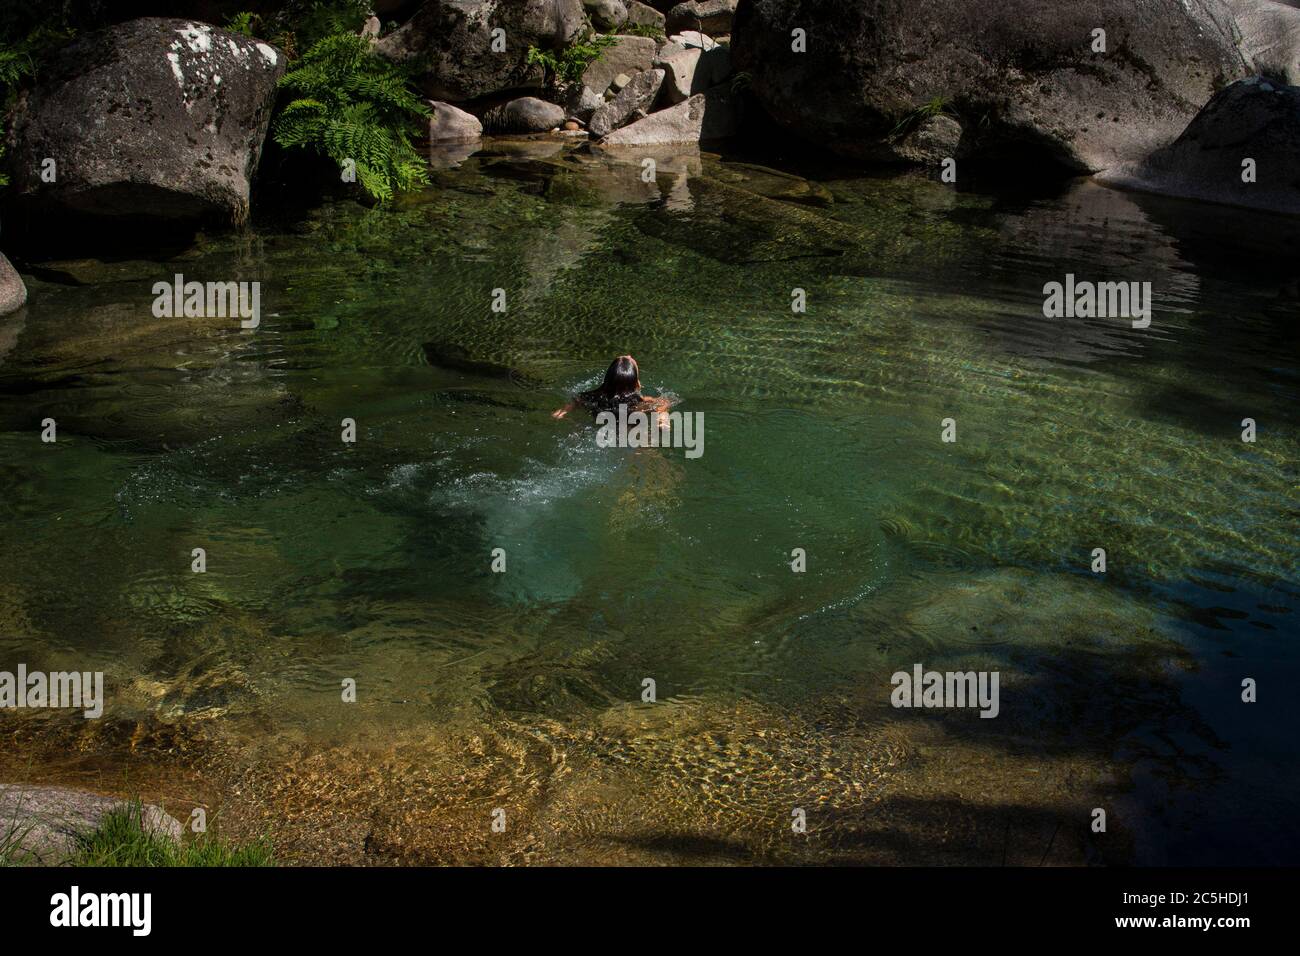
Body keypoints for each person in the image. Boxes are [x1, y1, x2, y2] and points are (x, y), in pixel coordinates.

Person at [552, 355, 672, 427]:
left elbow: (569, 405)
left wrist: (563, 411)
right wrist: (662, 419)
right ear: (637, 384)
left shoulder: (590, 397)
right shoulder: (640, 402)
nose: (629, 355)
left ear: (606, 380)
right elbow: (664, 403)